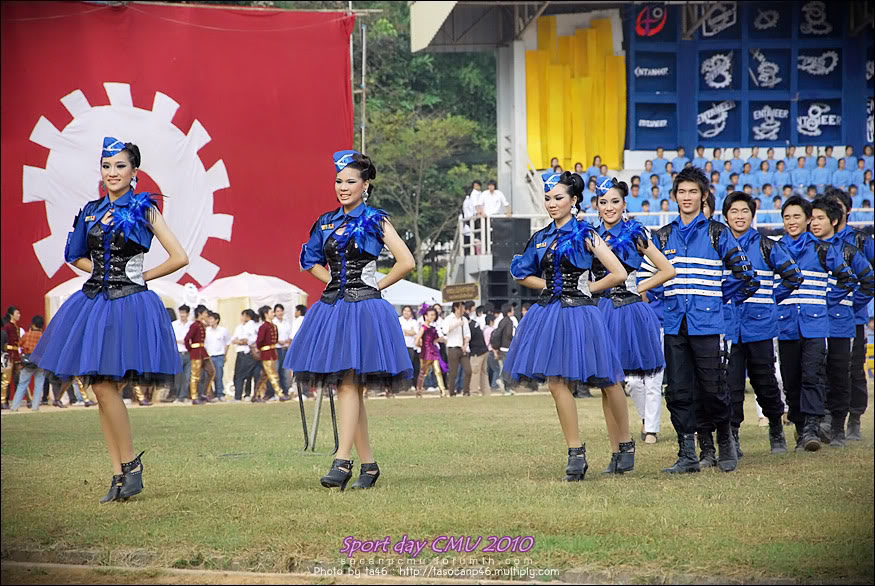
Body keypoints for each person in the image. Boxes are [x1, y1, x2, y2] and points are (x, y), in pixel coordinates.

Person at [29, 137, 187, 503]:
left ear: (134, 172)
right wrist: (99, 270)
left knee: (104, 387)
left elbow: (179, 256)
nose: (112, 172)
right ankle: (119, 474)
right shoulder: (89, 211)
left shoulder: (146, 209)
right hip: (95, 302)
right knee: (102, 391)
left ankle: (130, 465)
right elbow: (76, 256)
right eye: (106, 166)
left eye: (119, 166)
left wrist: (142, 275)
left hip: (130, 303)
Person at [287, 150, 414, 491]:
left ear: (365, 185)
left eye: (350, 182)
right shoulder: (325, 222)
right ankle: (368, 466)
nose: (343, 187)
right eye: (339, 181)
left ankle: (342, 460)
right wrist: (328, 280)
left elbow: (406, 261)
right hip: (333, 308)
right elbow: (310, 259)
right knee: (348, 387)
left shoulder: (376, 220)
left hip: (365, 309)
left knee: (348, 385)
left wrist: (378, 283)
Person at [505, 170, 629, 480]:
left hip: (582, 313)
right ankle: (576, 452)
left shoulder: (587, 233)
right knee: (556, 382)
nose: (551, 203)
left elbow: (618, 273)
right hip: (550, 313)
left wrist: (590, 288)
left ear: (573, 201)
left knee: (607, 379)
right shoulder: (541, 236)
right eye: (547, 198)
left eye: (558, 198)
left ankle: (625, 444)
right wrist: (547, 284)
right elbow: (521, 274)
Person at [651, 167, 758, 474]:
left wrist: (719, 294)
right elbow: (649, 279)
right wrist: (663, 302)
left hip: (708, 324)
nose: (687, 197)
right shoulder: (662, 235)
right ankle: (687, 454)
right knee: (679, 390)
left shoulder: (717, 232)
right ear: (674, 196)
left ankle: (725, 441)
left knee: (714, 387)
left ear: (704, 196)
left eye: (693, 192)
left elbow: (747, 276)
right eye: (682, 192)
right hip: (674, 325)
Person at [593, 177, 675, 451]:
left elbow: (667, 270)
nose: (609, 207)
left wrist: (637, 286)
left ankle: (634, 437)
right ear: (596, 205)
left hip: (629, 311)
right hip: (600, 311)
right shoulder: (589, 234)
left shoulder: (635, 233)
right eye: (603, 202)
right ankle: (617, 446)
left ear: (624, 204)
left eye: (614, 201)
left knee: (638, 379)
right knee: (609, 382)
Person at [721, 192, 802, 456]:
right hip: (728, 327)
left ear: (752, 215)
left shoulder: (766, 245)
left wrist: (771, 298)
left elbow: (793, 276)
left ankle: (776, 428)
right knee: (730, 385)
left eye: (744, 211)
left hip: (760, 326)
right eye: (734, 211)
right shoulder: (718, 244)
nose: (739, 216)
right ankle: (732, 437)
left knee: (765, 381)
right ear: (725, 216)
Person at [778, 196, 857, 452]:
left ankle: (811, 429)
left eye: (797, 216)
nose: (792, 222)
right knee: (791, 381)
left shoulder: (823, 249)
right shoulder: (776, 248)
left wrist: (825, 301)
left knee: (812, 376)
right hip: (786, 325)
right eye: (787, 217)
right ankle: (801, 430)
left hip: (814, 326)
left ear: (808, 219)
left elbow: (848, 278)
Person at [810, 194, 874, 446]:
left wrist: (852, 304)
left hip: (851, 319)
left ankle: (851, 419)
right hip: (817, 319)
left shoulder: (859, 240)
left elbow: (869, 278)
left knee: (851, 370)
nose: (815, 221)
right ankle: (823, 421)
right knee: (820, 369)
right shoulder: (810, 244)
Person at [10, 315, 48, 411]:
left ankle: (14, 407)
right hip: (40, 363)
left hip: (28, 362)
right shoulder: (44, 336)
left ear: (33, 324)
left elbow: (19, 344)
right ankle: (35, 407)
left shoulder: (27, 335)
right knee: (39, 385)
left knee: (22, 384)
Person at [251, 305, 286, 402]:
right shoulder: (263, 327)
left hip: (272, 352)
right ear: (266, 314)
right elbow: (260, 341)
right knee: (272, 374)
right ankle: (280, 394)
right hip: (266, 353)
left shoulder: (273, 326)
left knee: (264, 376)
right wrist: (260, 349)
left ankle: (255, 395)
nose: (273, 314)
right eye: (271, 312)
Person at [184, 305, 216, 405]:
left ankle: (204, 393)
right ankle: (194, 397)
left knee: (211, 371)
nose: (206, 315)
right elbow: (187, 339)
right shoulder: (194, 325)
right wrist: (191, 350)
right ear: (200, 314)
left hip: (203, 351)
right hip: (196, 352)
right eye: (205, 313)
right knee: (195, 376)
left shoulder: (202, 325)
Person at [414, 307, 446, 397]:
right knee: (423, 372)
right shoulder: (423, 327)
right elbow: (418, 338)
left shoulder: (432, 327)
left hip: (433, 351)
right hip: (426, 352)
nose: (433, 316)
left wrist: (439, 340)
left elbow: (435, 339)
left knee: (437, 371)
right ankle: (419, 391)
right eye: (431, 315)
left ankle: (442, 391)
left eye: (434, 315)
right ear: (426, 316)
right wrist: (420, 345)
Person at [443, 301, 471, 397]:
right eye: (461, 308)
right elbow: (445, 330)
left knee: (468, 370)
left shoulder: (464, 319)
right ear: (456, 308)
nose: (463, 310)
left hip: (463, 348)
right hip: (453, 347)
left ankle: (466, 391)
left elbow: (467, 334)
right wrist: (457, 324)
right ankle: (452, 392)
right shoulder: (449, 318)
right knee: (453, 372)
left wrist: (466, 343)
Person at [232, 310, 259, 401]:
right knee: (247, 375)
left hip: (247, 353)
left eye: (243, 315)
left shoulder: (252, 325)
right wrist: (241, 341)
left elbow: (250, 340)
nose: (242, 318)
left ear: (247, 316)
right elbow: (234, 339)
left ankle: (238, 396)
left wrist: (243, 341)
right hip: (241, 352)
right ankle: (247, 394)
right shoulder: (240, 327)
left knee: (240, 375)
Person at [1, 307, 23, 409]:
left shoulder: (16, 327)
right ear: (11, 315)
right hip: (8, 355)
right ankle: (3, 401)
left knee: (20, 378)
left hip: (15, 355)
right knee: (6, 380)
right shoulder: (7, 327)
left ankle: (22, 400)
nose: (19, 315)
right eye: (17, 313)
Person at [205, 311, 229, 401]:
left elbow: (227, 342)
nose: (209, 320)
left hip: (219, 356)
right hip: (209, 356)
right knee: (209, 376)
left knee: (219, 375)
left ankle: (220, 394)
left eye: (211, 319)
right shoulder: (206, 330)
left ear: (216, 320)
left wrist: (225, 354)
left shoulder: (223, 330)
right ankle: (210, 395)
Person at [492, 303, 516, 395]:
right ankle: (503, 383)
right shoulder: (509, 321)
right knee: (508, 368)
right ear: (509, 311)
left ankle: (508, 388)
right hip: (507, 348)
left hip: (502, 347)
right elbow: (509, 334)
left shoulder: (502, 321)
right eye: (512, 310)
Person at [171, 305, 192, 402]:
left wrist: (183, 341)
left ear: (188, 314)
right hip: (177, 353)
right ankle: (176, 396)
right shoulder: (174, 324)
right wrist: (182, 341)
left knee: (187, 377)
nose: (182, 315)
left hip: (189, 353)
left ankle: (182, 397)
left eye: (184, 313)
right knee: (178, 377)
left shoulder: (191, 325)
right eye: (181, 312)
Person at [398, 305, 420, 389]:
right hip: (400, 347)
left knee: (409, 366)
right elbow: (398, 331)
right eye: (405, 310)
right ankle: (401, 385)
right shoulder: (399, 320)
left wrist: (404, 331)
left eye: (408, 311)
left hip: (411, 346)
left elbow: (415, 332)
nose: (406, 312)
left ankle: (409, 385)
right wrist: (409, 332)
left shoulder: (414, 322)